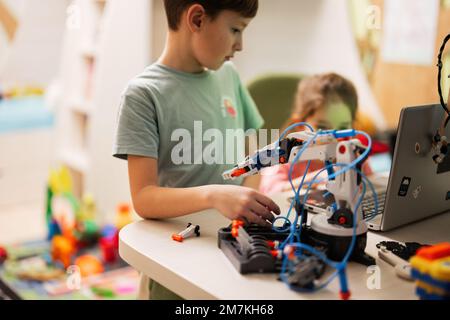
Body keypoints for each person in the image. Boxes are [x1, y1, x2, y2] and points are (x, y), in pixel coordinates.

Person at [113, 0, 280, 299]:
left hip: (234, 249)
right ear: (198, 19)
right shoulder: (143, 95)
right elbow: (143, 197)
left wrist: (245, 211)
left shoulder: (230, 76)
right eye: (235, 29)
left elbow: (255, 157)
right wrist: (215, 195)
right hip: (176, 261)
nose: (240, 45)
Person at [259, 73, 366, 195]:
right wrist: (316, 178)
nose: (333, 138)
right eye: (323, 127)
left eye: (342, 128)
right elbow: (270, 192)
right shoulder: (282, 155)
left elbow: (370, 183)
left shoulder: (354, 153)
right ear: (300, 125)